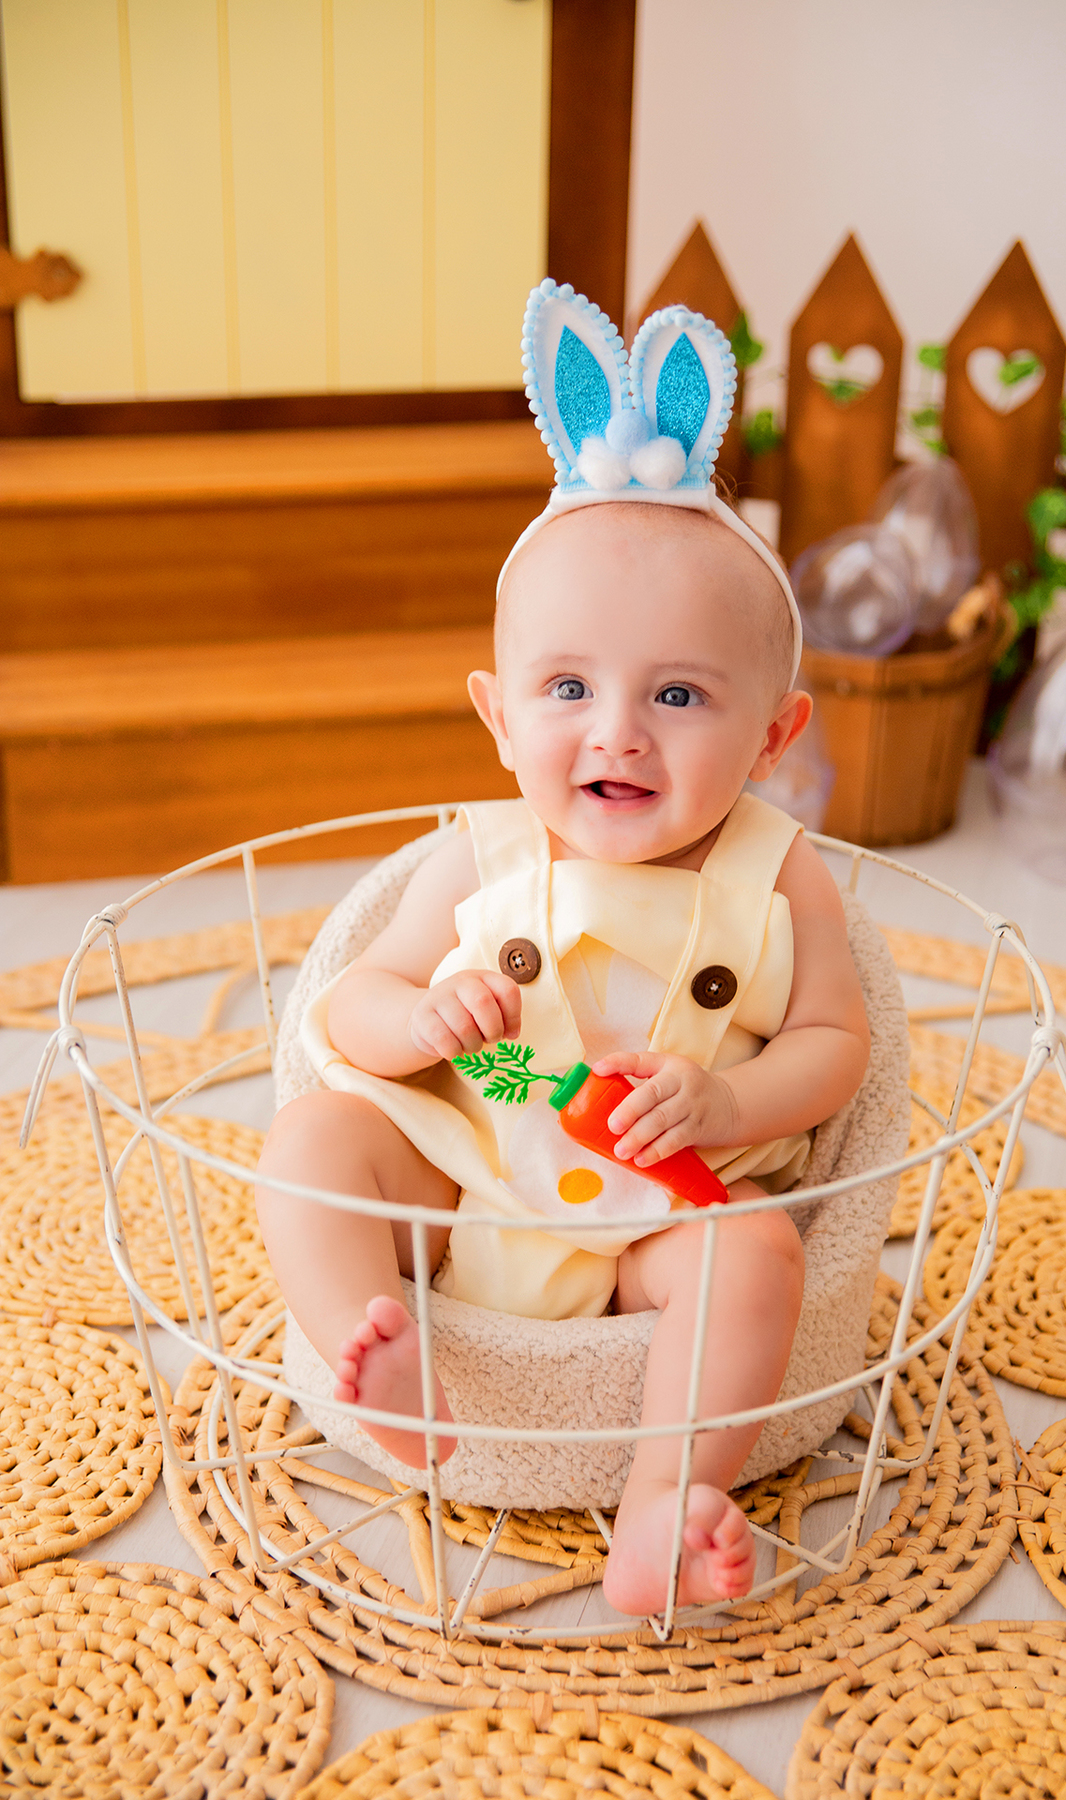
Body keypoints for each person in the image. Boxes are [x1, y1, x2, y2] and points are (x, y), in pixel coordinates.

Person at [255, 286, 871, 1617]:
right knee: (309, 1140)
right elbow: (350, 1003)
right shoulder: (476, 854)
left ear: (774, 737)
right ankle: (376, 1343)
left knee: (758, 1259)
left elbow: (839, 1044)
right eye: (570, 689)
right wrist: (420, 1025)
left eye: (681, 695)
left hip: (671, 1198)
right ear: (497, 713)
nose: (617, 735)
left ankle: (663, 1502)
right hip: (474, 1157)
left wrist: (731, 1100)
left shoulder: (784, 870)